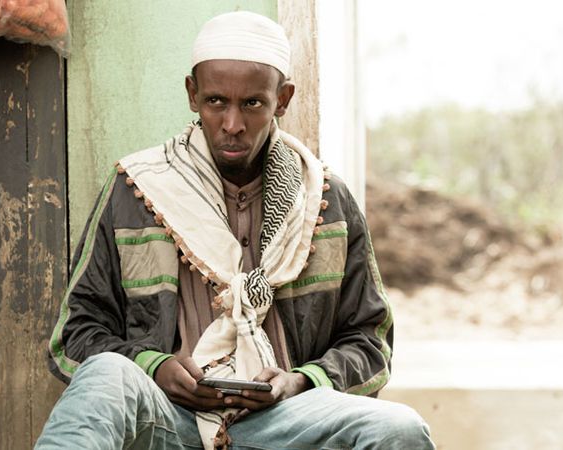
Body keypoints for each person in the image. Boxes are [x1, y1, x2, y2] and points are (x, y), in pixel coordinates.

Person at [36, 11, 434, 450]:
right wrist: (154, 367)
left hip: (286, 420)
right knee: (108, 373)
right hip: (168, 415)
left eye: (252, 104)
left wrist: (301, 381)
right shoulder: (138, 188)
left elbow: (370, 340)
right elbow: (77, 332)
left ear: (282, 99)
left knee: (400, 428)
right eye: (216, 101)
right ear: (192, 94)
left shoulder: (323, 199)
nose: (232, 124)